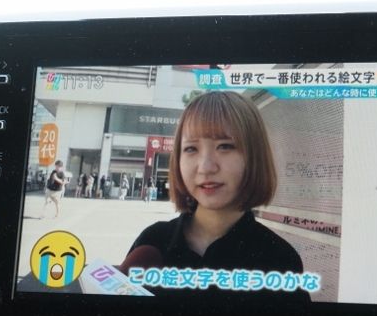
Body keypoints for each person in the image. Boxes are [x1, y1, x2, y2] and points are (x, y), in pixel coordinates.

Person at [128, 91, 305, 299]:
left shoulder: (279, 259)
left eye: (225, 146)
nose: (205, 167)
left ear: (254, 155)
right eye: (191, 149)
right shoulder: (153, 241)